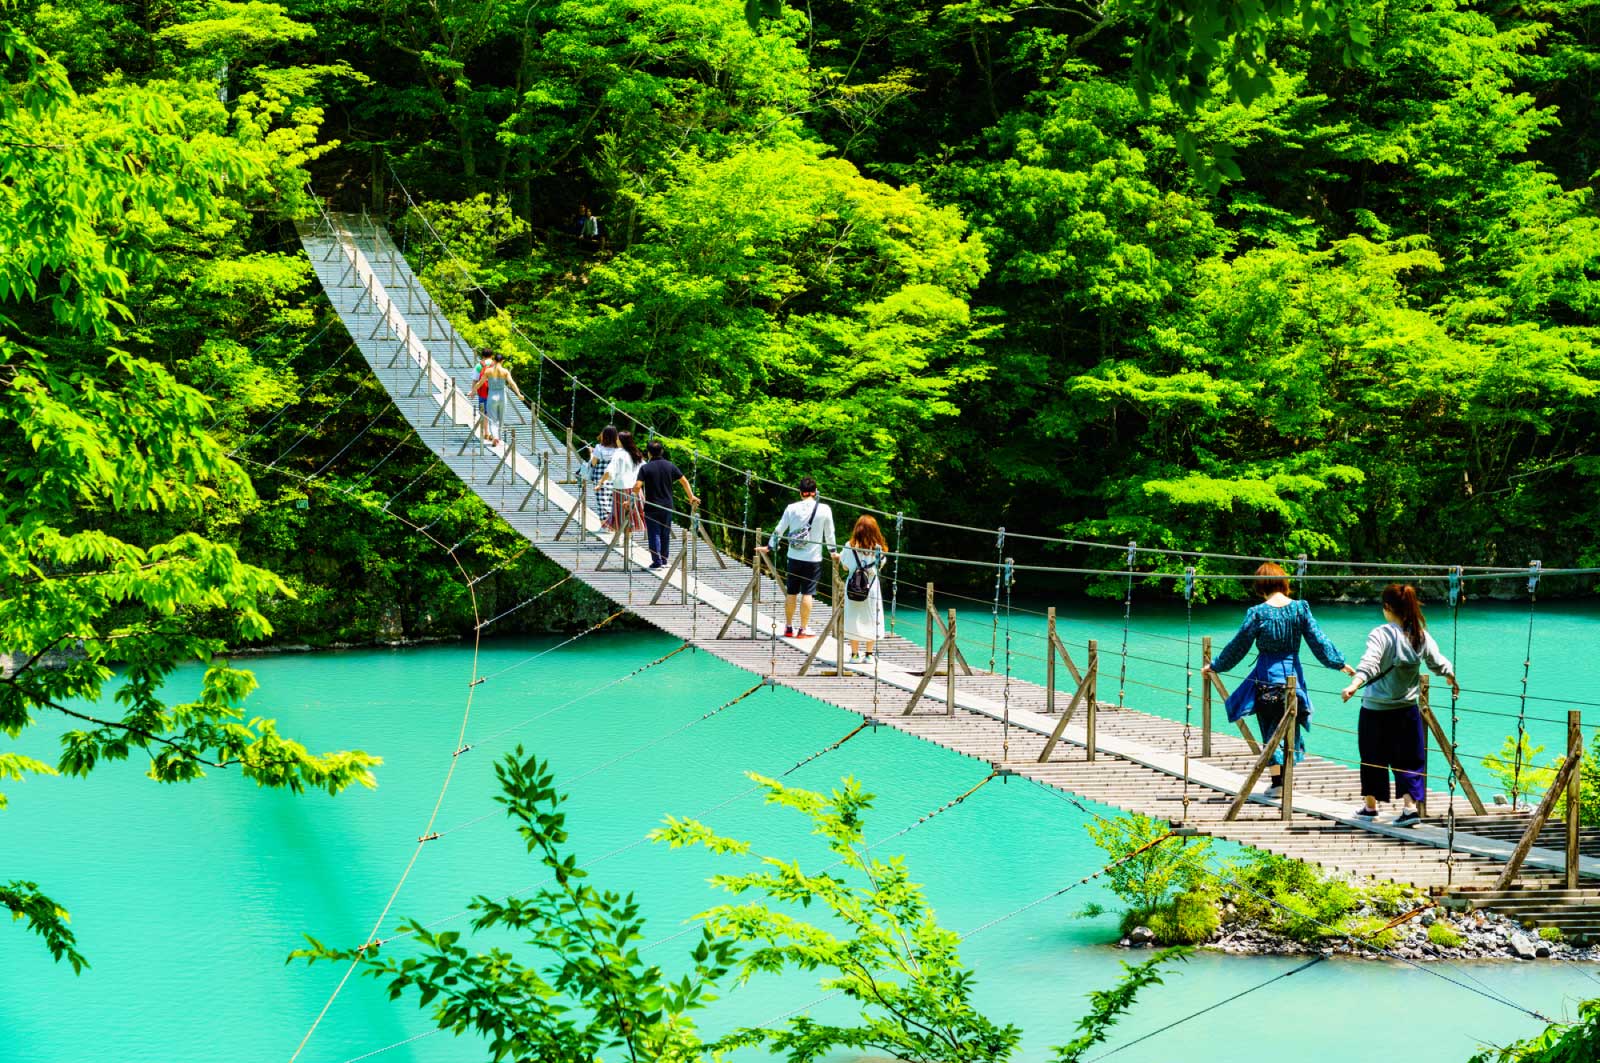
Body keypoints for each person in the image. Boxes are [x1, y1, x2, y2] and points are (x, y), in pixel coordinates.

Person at [1204, 561, 1355, 798]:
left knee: (1270, 729)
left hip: (1266, 679)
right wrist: (1339, 663)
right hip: (1293, 678)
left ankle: (1277, 783)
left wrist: (1215, 666)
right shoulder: (1300, 609)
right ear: (1283, 582)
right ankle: (1286, 780)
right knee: (1290, 725)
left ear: (1261, 585)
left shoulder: (1257, 613)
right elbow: (1318, 640)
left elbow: (1238, 646)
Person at [1341, 584, 1459, 827]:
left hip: (1375, 710)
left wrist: (1354, 684)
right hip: (1407, 710)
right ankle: (1409, 809)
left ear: (1387, 607)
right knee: (1409, 760)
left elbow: (1369, 662)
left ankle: (1370, 808)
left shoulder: (1381, 634)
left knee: (1372, 758)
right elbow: (1437, 662)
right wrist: (1451, 676)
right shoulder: (1420, 635)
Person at [756, 477, 836, 638]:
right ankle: (803, 628)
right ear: (815, 492)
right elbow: (830, 534)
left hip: (793, 558)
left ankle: (788, 627)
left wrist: (769, 547)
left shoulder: (791, 508)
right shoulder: (824, 509)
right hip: (813, 560)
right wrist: (833, 552)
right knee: (808, 593)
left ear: (800, 492)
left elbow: (779, 529)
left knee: (791, 592)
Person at [636, 440, 700, 569]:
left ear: (648, 453)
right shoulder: (670, 466)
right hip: (667, 505)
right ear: (662, 451)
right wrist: (691, 496)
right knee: (665, 532)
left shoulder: (645, 468)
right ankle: (664, 560)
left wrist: (631, 498)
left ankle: (657, 561)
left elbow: (638, 486)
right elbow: (684, 481)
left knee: (654, 533)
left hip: (652, 506)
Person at [832, 515, 886, 663]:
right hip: (871, 587)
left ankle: (854, 655)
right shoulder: (878, 548)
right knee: (872, 617)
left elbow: (845, 566)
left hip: (853, 587)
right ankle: (869, 655)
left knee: (853, 618)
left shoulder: (849, 545)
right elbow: (880, 565)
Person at [597, 429, 646, 535]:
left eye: (618, 439)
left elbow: (609, 471)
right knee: (632, 515)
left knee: (620, 515)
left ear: (622, 441)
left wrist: (601, 482)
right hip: (636, 490)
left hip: (622, 489)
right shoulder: (636, 453)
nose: (616, 440)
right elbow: (644, 469)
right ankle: (627, 540)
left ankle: (621, 540)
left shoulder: (618, 454)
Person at [482, 352, 525, 446]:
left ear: (494, 360)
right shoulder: (505, 371)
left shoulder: (488, 371)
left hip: (492, 396)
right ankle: (498, 436)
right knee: (501, 418)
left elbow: (480, 382)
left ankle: (495, 436)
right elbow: (512, 383)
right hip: (502, 396)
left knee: (492, 419)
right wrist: (519, 394)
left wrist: (473, 391)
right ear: (502, 361)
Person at [588, 425, 620, 527]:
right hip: (614, 478)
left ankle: (605, 526)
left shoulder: (599, 448)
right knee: (612, 501)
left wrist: (591, 454)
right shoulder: (619, 450)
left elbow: (593, 463)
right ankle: (613, 525)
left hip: (600, 478)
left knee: (602, 502)